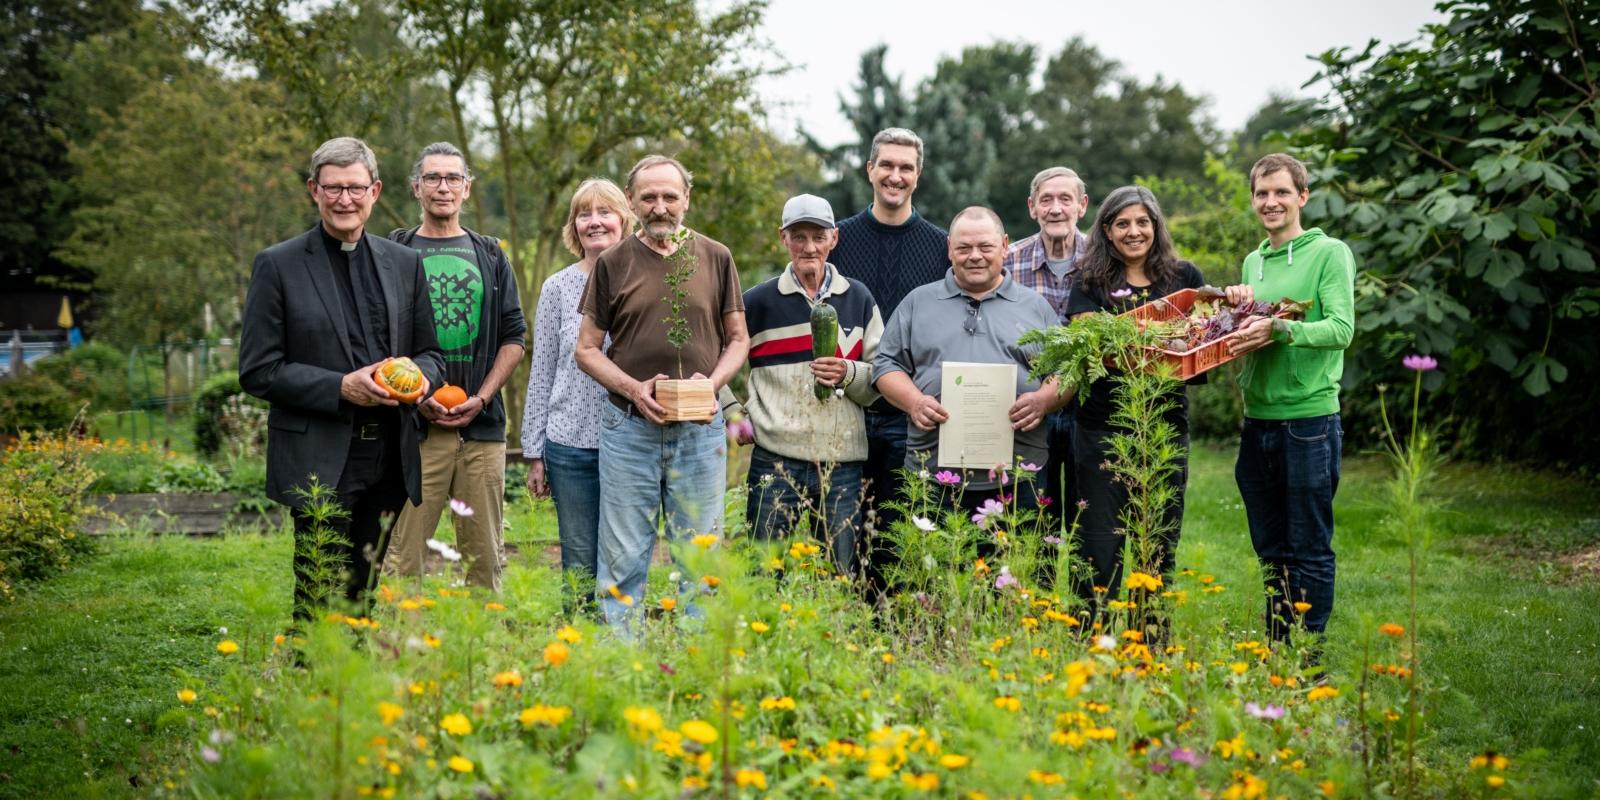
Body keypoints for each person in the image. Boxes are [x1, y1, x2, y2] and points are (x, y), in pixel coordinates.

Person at [239, 136, 444, 621]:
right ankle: (313, 683)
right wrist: (339, 388)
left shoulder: (405, 263)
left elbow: (432, 353)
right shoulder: (278, 264)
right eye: (333, 188)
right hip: (321, 456)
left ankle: (354, 685)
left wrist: (420, 379)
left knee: (363, 590)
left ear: (374, 191)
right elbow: (258, 370)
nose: (344, 200)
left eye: (355, 188)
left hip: (389, 457)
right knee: (316, 591)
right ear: (314, 190)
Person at [575, 155, 749, 629]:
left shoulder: (716, 256)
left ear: (686, 200)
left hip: (700, 430)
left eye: (670, 196)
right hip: (629, 430)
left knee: (700, 557)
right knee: (624, 556)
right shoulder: (613, 263)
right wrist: (634, 390)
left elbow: (738, 340)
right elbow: (586, 350)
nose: (660, 206)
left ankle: (697, 663)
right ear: (631, 202)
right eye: (648, 196)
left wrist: (710, 386)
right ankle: (621, 664)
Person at [379, 142, 526, 592]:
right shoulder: (390, 252)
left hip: (480, 429)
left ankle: (483, 655)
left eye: (453, 179)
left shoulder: (491, 254)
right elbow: (376, 338)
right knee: (401, 559)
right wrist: (416, 397)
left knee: (485, 561)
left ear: (466, 189)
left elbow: (514, 337)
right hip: (413, 430)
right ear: (415, 188)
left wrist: (482, 398)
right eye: (432, 178)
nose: (443, 187)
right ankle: (398, 651)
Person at [1223, 153, 1356, 648]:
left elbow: (1341, 329)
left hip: (1309, 423)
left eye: (1281, 192)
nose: (1270, 202)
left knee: (1309, 549)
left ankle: (1308, 657)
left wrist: (1279, 328)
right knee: (1272, 550)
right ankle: (1279, 650)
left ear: (1302, 196)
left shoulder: (1329, 253)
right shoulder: (1253, 262)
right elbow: (1248, 329)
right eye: (1262, 193)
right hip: (1257, 421)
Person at [1064, 185, 1206, 630]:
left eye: (1143, 222)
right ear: (1105, 230)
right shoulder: (1088, 283)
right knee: (1099, 545)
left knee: (1158, 542)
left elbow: (1198, 341)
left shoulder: (1185, 278)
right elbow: (1093, 345)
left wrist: (1132, 341)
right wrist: (1166, 337)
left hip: (1164, 429)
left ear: (1156, 226)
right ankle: (1090, 642)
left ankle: (1150, 645)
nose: (1134, 232)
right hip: (1101, 430)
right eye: (1122, 223)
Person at [726, 194, 883, 573]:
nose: (809, 247)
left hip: (842, 459)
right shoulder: (757, 302)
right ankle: (766, 633)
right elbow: (711, 359)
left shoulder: (858, 298)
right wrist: (732, 413)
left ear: (834, 239)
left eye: (818, 236)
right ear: (783, 238)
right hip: (774, 456)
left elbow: (881, 375)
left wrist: (849, 373)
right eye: (799, 237)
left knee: (841, 572)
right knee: (766, 572)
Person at [873, 207, 1066, 513]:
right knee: (932, 561)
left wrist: (1043, 399)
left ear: (1004, 245)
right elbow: (885, 365)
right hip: (932, 474)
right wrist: (914, 402)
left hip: (1019, 476)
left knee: (1017, 561)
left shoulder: (1036, 308)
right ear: (949, 249)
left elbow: (1066, 372)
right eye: (963, 248)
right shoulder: (917, 302)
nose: (975, 255)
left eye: (985, 246)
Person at [831, 127, 950, 576]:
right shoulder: (838, 241)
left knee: (901, 531)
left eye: (906, 168)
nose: (895, 176)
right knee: (843, 527)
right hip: (847, 407)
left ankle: (895, 626)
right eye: (887, 166)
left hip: (910, 410)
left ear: (918, 176)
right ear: (870, 170)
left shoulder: (941, 247)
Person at [522, 177, 635, 610]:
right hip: (570, 444)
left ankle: (621, 640)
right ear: (574, 226)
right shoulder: (557, 288)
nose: (594, 222)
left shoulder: (645, 280)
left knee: (625, 552)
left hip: (631, 441)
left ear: (624, 220)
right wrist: (534, 452)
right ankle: (578, 639)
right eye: (584, 214)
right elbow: (542, 371)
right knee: (579, 556)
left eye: (604, 212)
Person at [1003, 166, 1091, 523]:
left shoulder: (1104, 260)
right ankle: (1034, 578)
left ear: (1082, 206)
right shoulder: (1008, 263)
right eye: (1046, 200)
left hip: (1089, 405)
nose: (1056, 208)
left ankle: (1089, 580)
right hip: (1028, 403)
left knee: (1088, 513)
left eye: (1065, 199)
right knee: (1033, 512)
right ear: (1032, 207)